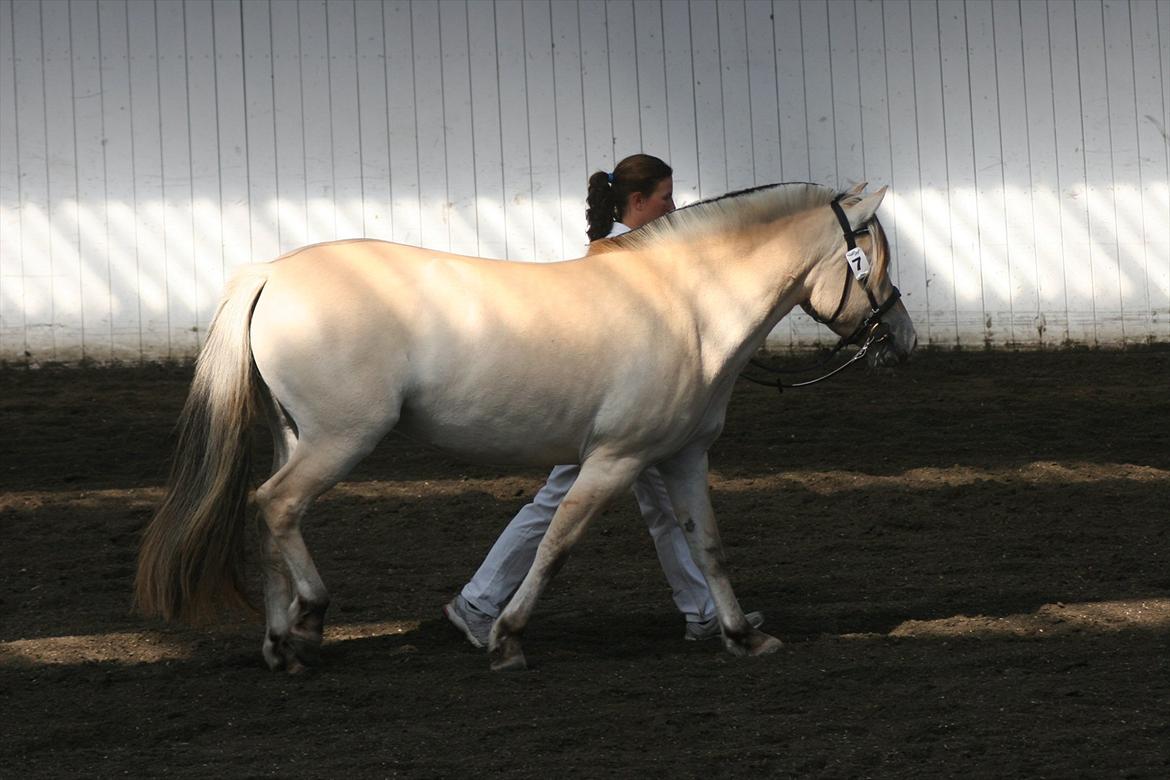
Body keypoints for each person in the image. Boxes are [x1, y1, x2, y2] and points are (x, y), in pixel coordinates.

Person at [444, 154, 763, 648]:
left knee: (662, 505)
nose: (674, 206)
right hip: (611, 411)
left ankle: (703, 610)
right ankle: (480, 602)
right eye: (665, 197)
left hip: (644, 408)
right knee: (558, 501)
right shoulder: (617, 260)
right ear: (638, 202)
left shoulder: (640, 253)